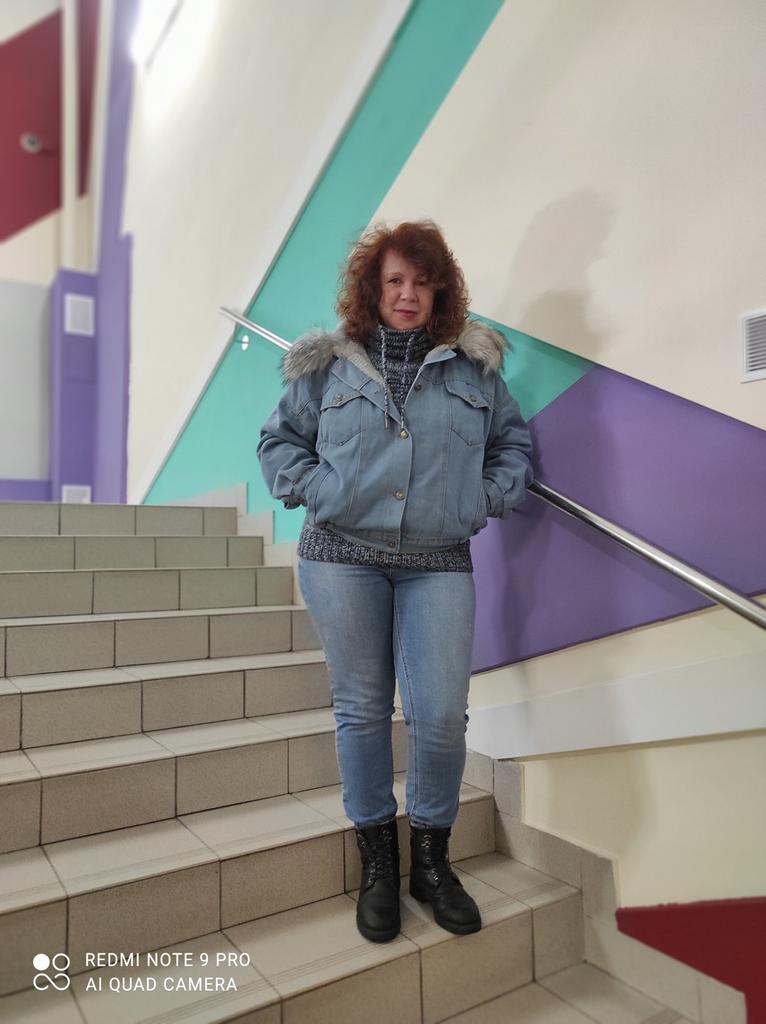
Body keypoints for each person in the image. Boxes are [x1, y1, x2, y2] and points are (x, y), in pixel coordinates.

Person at [257, 220, 534, 943]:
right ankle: (378, 864)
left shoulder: (474, 371)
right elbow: (278, 442)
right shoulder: (328, 366)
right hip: (340, 555)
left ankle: (431, 864)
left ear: (439, 289)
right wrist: (318, 489)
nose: (407, 294)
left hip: (437, 560)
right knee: (362, 710)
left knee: (440, 716)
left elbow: (512, 446)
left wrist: (482, 499)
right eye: (394, 281)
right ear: (372, 289)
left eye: (421, 281)